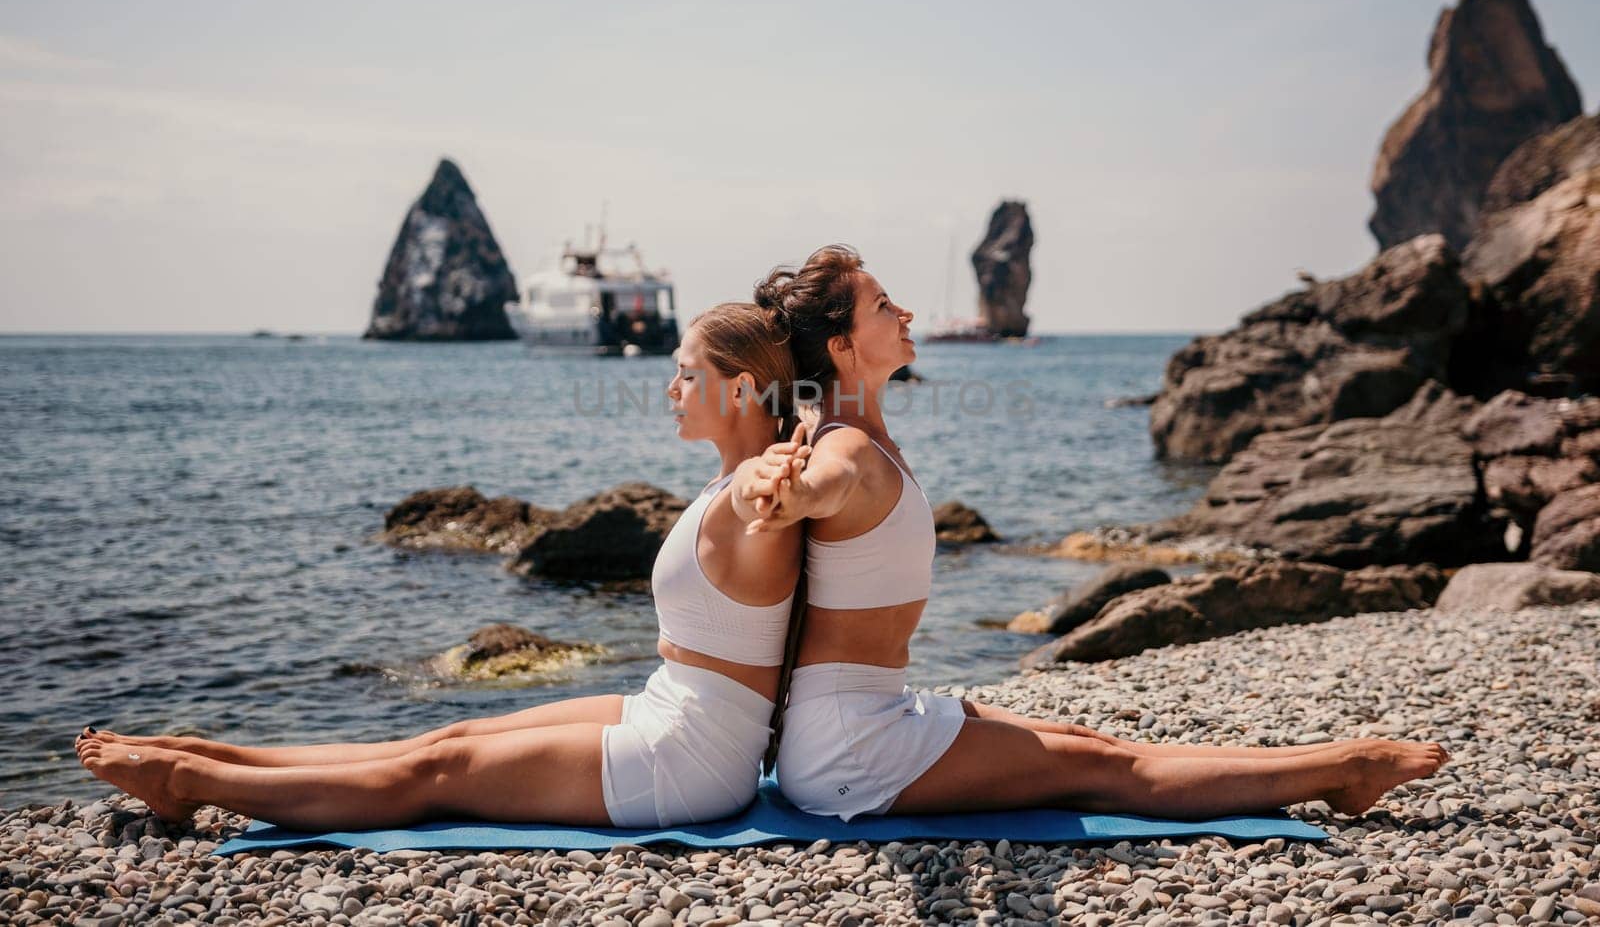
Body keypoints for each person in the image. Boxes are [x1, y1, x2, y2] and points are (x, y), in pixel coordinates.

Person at [737, 245, 1449, 822]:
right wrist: (788, 494)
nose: (907, 311)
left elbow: (816, 466)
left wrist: (795, 478)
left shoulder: (850, 432)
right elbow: (816, 484)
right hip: (849, 747)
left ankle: (1328, 756)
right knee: (1108, 773)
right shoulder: (845, 449)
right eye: (884, 305)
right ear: (842, 347)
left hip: (867, 708)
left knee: (1090, 740)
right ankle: (1343, 770)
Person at [76, 303, 804, 832]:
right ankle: (213, 751)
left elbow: (765, 488)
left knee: (434, 778)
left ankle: (186, 780)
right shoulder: (732, 475)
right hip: (670, 705)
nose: (670, 389)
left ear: (739, 389)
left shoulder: (753, 488)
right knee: (445, 740)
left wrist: (781, 464)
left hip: (691, 761)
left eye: (685, 374)